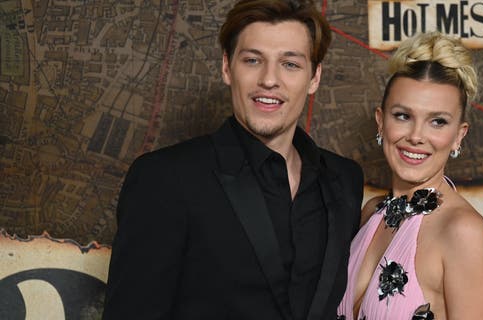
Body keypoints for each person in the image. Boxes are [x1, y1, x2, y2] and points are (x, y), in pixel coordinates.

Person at [102, 1, 364, 319]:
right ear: (227, 67)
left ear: (314, 77)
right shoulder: (165, 178)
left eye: (290, 64)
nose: (270, 79)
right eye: (253, 60)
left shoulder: (344, 180)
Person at [337, 32, 483, 319]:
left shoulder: (462, 232)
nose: (416, 136)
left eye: (437, 122)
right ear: (381, 121)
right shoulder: (370, 212)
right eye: (403, 116)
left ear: (458, 136)